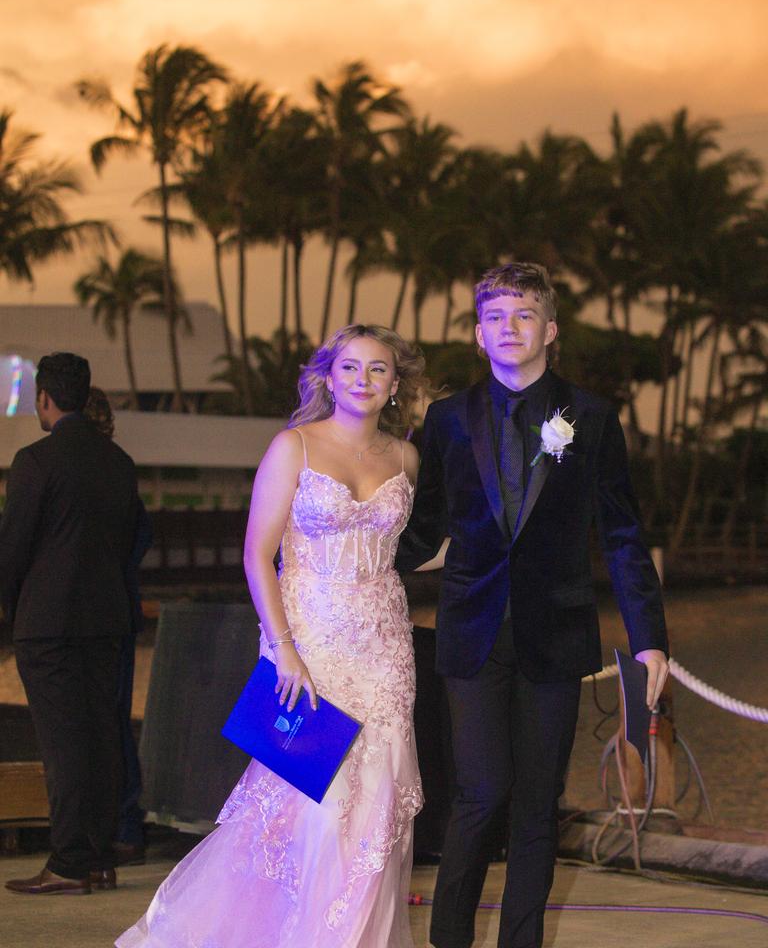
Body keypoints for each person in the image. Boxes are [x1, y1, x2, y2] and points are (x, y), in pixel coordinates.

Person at [117, 323, 429, 948]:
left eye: (377, 370)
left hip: (385, 648)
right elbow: (259, 555)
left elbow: (393, 552)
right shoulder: (295, 447)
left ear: (396, 384)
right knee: (312, 806)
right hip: (308, 644)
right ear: (328, 376)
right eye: (350, 368)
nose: (363, 380)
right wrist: (284, 648)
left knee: (378, 807)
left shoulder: (406, 457)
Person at [396, 262, 670, 948]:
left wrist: (650, 639)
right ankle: (449, 939)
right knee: (480, 794)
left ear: (549, 329)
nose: (507, 328)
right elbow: (423, 528)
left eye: (521, 315)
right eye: (494, 318)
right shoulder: (448, 420)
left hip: (556, 633)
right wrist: (339, 573)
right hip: (470, 633)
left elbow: (624, 534)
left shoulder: (594, 418)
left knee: (537, 807)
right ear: (480, 336)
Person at [0, 354, 140, 896]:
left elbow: (14, 547)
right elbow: (126, 541)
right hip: (106, 618)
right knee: (102, 737)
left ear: (44, 398)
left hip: (49, 623)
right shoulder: (118, 462)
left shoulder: (35, 461)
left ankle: (68, 861)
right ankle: (100, 857)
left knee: (62, 745)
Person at [83, 386, 153, 865]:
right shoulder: (120, 468)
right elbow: (142, 535)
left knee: (92, 723)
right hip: (121, 610)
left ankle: (116, 826)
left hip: (91, 613)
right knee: (115, 722)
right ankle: (126, 825)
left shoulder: (86, 469)